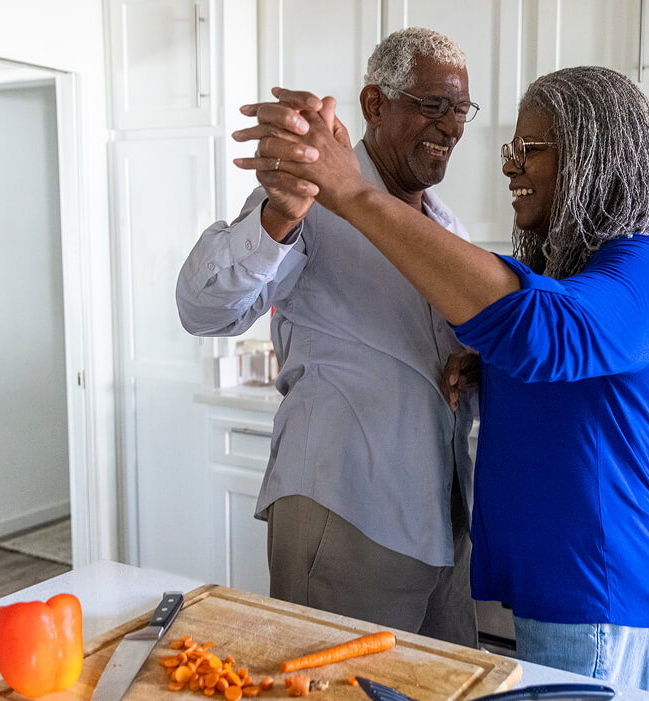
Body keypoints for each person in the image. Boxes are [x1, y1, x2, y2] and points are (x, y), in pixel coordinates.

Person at [236, 66, 649, 692]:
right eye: (512, 149)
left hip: (605, 594)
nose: (509, 166)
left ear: (592, 154)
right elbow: (568, 367)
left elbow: (550, 332)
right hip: (563, 591)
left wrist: (354, 193)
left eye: (529, 150)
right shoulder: (588, 269)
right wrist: (491, 366)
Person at [174, 27, 479, 647]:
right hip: (346, 510)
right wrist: (279, 215)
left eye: (459, 108)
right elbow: (203, 311)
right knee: (330, 686)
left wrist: (472, 360)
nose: (451, 126)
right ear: (374, 105)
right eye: (432, 104)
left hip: (444, 521)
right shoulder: (309, 194)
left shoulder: (448, 226)